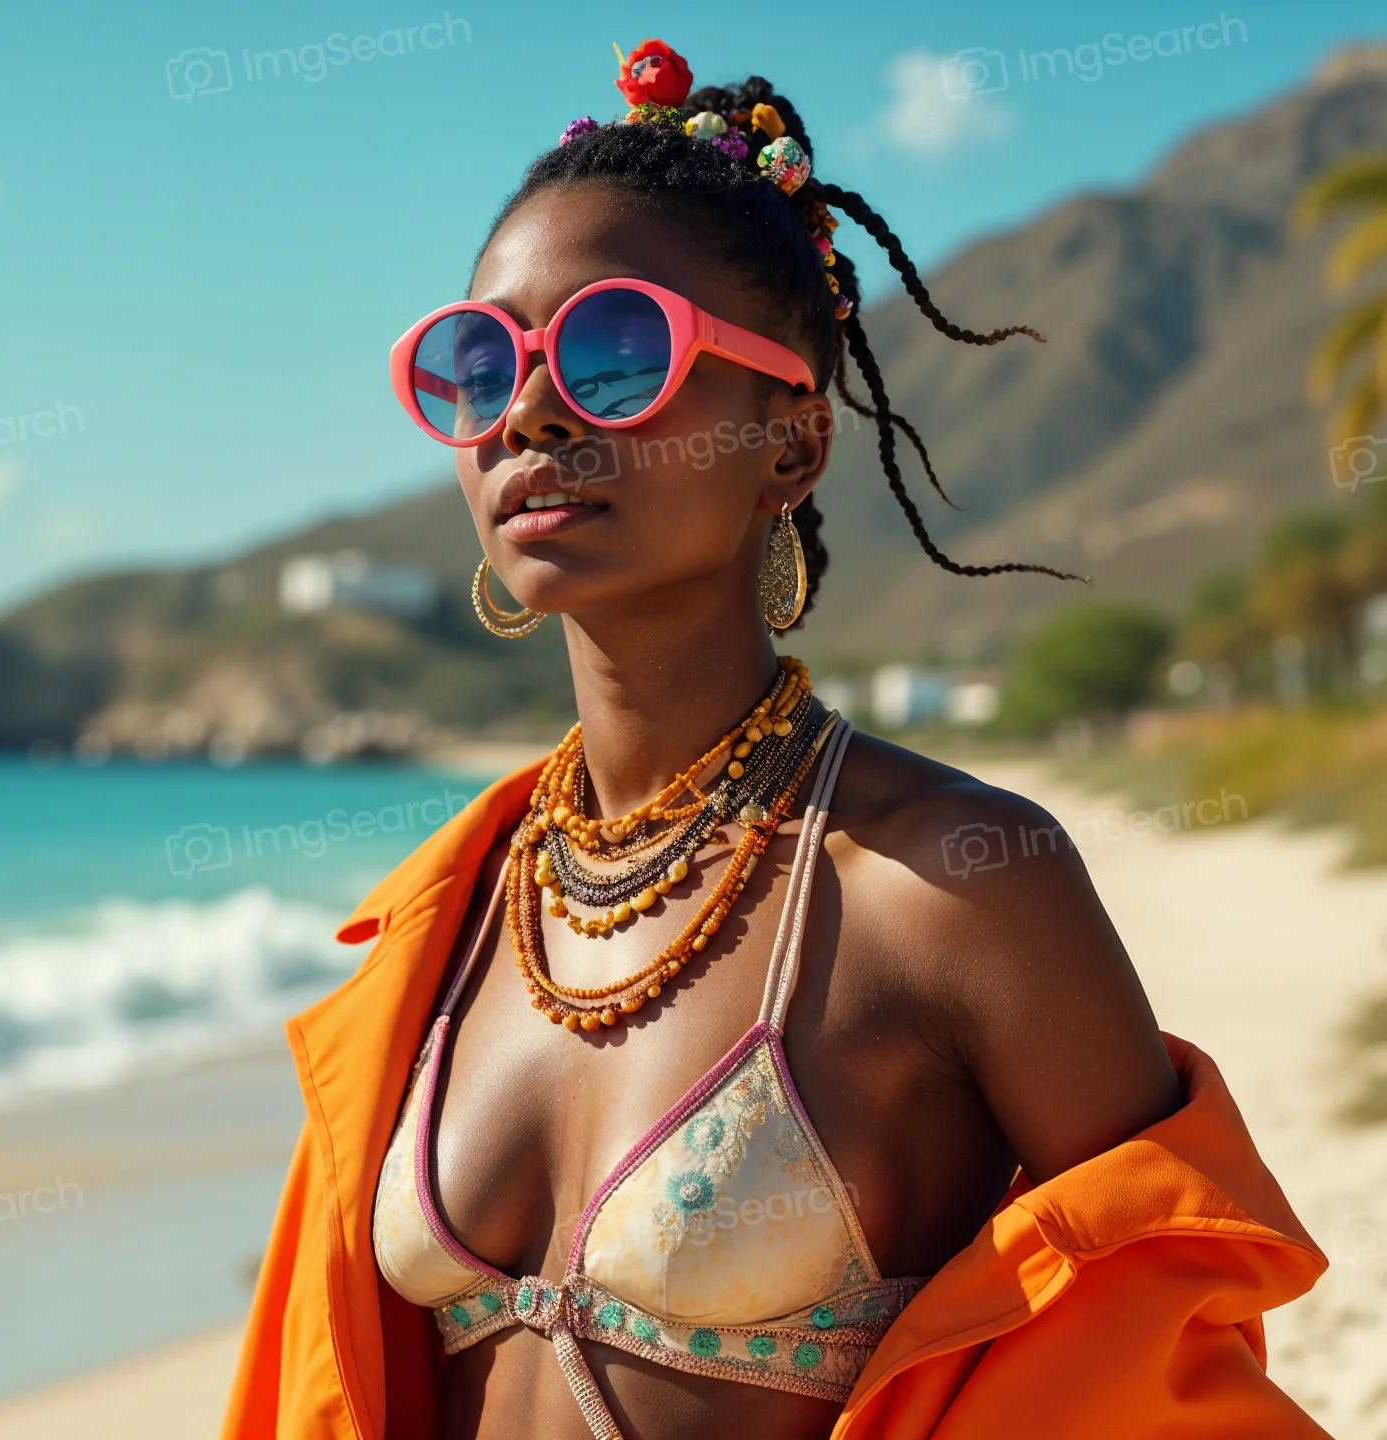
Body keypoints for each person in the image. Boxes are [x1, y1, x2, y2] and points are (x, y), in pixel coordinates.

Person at [224, 41, 1328, 1440]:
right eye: (481, 362)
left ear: (793, 443)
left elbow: (1157, 1360)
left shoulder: (954, 885)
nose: (533, 411)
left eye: (618, 353)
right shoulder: (457, 913)